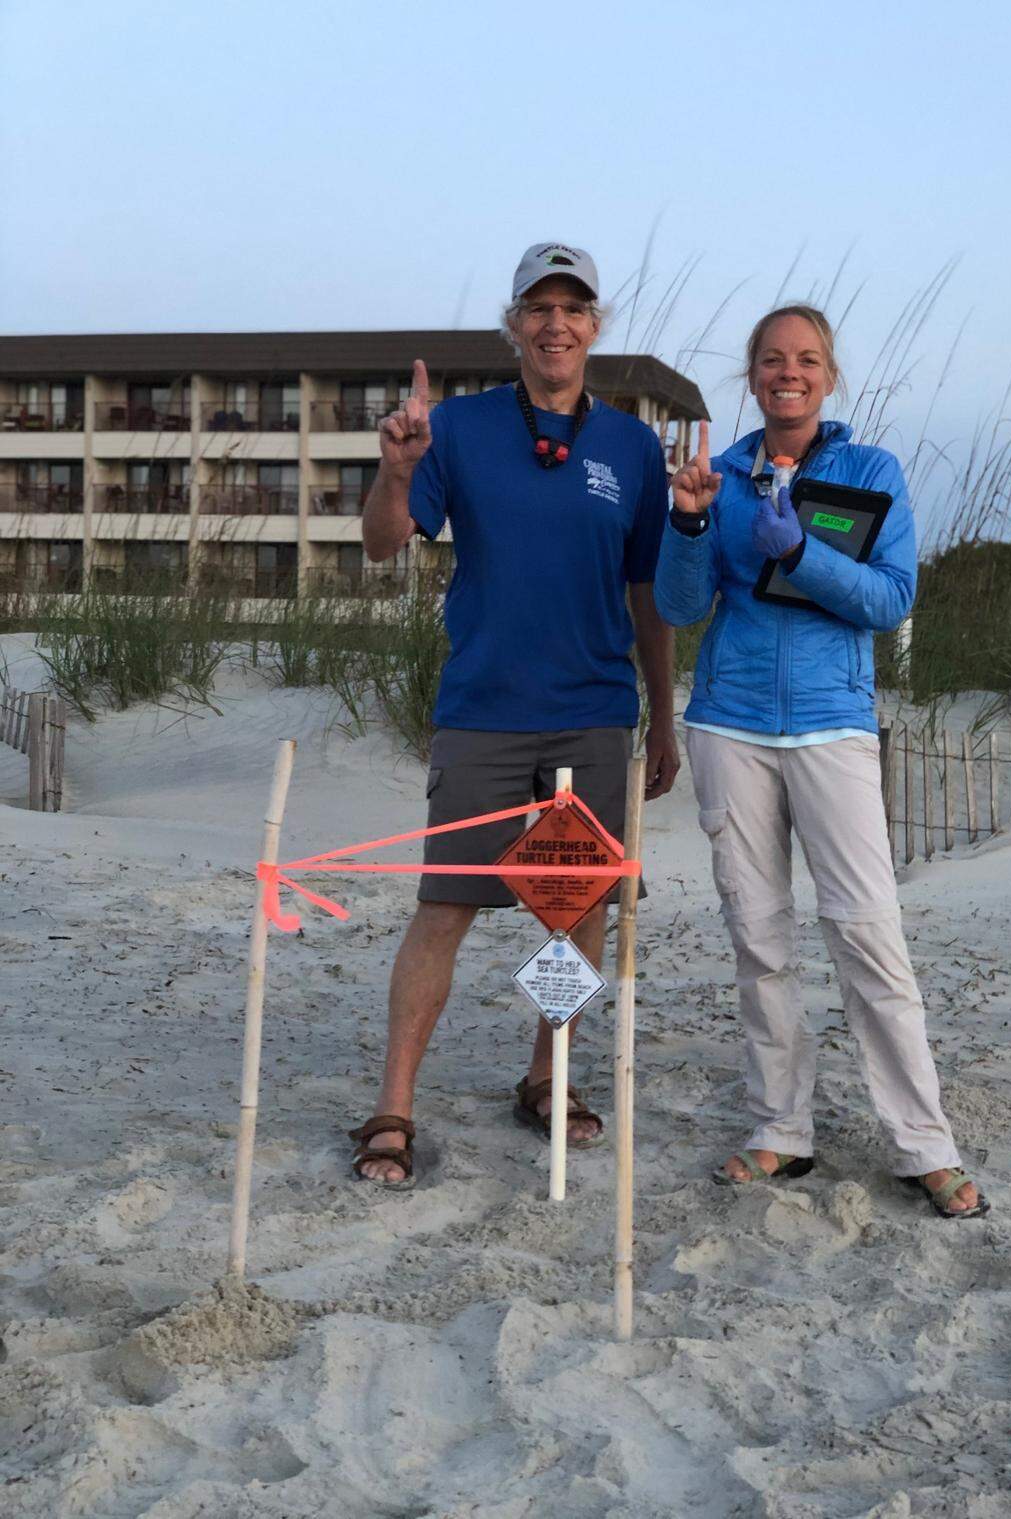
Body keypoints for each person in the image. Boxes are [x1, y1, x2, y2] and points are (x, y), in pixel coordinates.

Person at [354, 242, 680, 1186]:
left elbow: (648, 593)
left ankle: (548, 1074)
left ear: (595, 326)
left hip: (592, 717)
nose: (555, 324)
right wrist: (397, 470)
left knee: (574, 910)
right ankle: (394, 1104)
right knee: (445, 905)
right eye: (538, 307)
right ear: (515, 326)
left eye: (573, 308)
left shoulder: (628, 447)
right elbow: (381, 547)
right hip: (485, 712)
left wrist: (661, 718)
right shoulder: (453, 429)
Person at [654, 303, 988, 1219]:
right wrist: (686, 523)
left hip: (834, 727)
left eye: (805, 360)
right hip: (731, 726)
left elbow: (890, 600)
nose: (787, 373)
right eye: (771, 360)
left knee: (866, 930)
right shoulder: (717, 476)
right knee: (758, 938)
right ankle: (779, 1130)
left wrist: (801, 552)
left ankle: (923, 1143)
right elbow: (683, 610)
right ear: (753, 375)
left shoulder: (871, 471)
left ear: (829, 376)